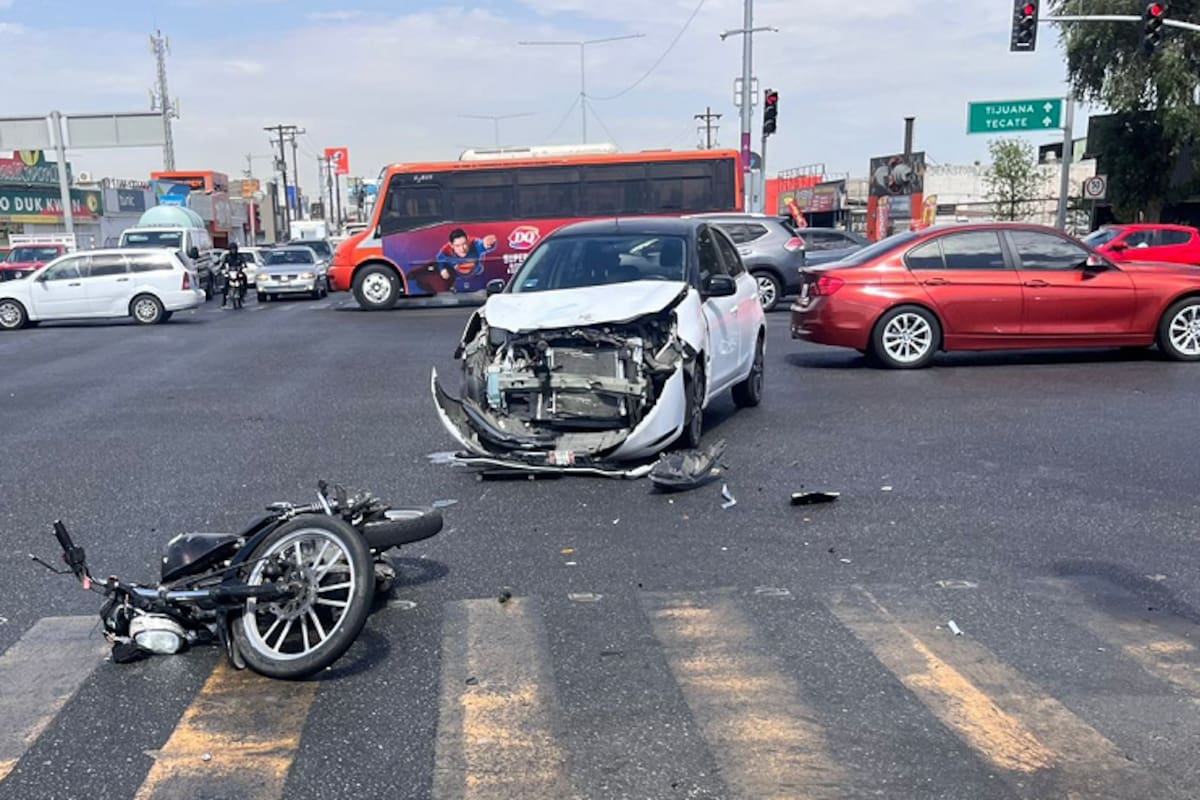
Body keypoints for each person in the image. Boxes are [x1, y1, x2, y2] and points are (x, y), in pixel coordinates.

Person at [436, 229, 497, 293]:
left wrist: (488, 244)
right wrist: (442, 269)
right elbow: (440, 260)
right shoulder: (446, 252)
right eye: (457, 246)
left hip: (477, 277)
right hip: (457, 282)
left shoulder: (474, 244)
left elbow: (482, 245)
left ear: (468, 241)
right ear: (451, 245)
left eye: (464, 244)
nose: (462, 249)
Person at [219, 243, 249, 307]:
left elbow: (243, 262)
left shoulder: (239, 256)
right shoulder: (227, 256)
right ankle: (224, 301)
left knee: (244, 277)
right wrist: (223, 268)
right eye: (232, 249)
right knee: (225, 283)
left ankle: (243, 292)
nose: (233, 250)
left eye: (234, 249)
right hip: (230, 272)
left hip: (238, 272)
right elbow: (223, 263)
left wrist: (244, 266)